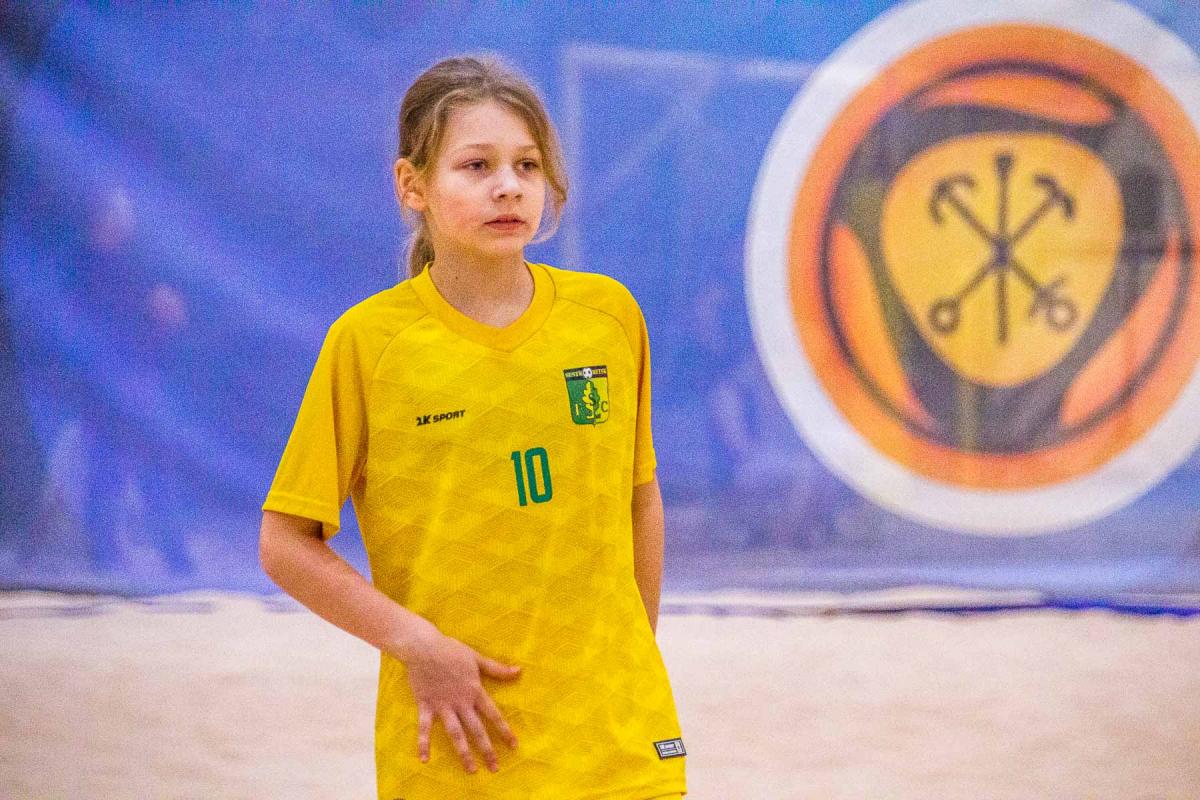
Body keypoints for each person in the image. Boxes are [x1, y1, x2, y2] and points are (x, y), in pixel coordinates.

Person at [258, 55, 687, 800]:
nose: (508, 186)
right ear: (412, 185)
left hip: (617, 741)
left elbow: (639, 498)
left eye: (527, 165)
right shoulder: (369, 345)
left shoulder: (609, 317)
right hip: (461, 743)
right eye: (477, 165)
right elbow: (284, 543)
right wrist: (415, 644)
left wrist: (629, 657)